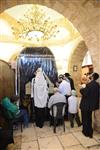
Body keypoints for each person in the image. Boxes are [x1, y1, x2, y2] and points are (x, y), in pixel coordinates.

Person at [80, 72, 99, 138]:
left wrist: (82, 88)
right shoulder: (97, 85)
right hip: (91, 106)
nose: (88, 76)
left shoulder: (89, 85)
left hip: (85, 105)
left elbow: (85, 94)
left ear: (92, 77)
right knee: (89, 119)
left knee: (85, 119)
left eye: (90, 75)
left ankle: (86, 132)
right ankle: (90, 133)